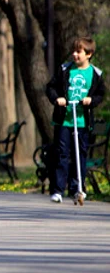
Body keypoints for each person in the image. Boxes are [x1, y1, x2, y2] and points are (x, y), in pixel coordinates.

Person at [45, 37, 106, 204]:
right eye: (74, 51)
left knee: (80, 154)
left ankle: (77, 188)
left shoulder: (95, 74)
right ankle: (58, 190)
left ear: (89, 54)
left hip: (82, 122)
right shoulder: (65, 69)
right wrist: (57, 99)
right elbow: (50, 87)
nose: (74, 55)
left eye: (79, 52)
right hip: (64, 121)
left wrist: (91, 101)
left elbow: (101, 94)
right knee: (62, 154)